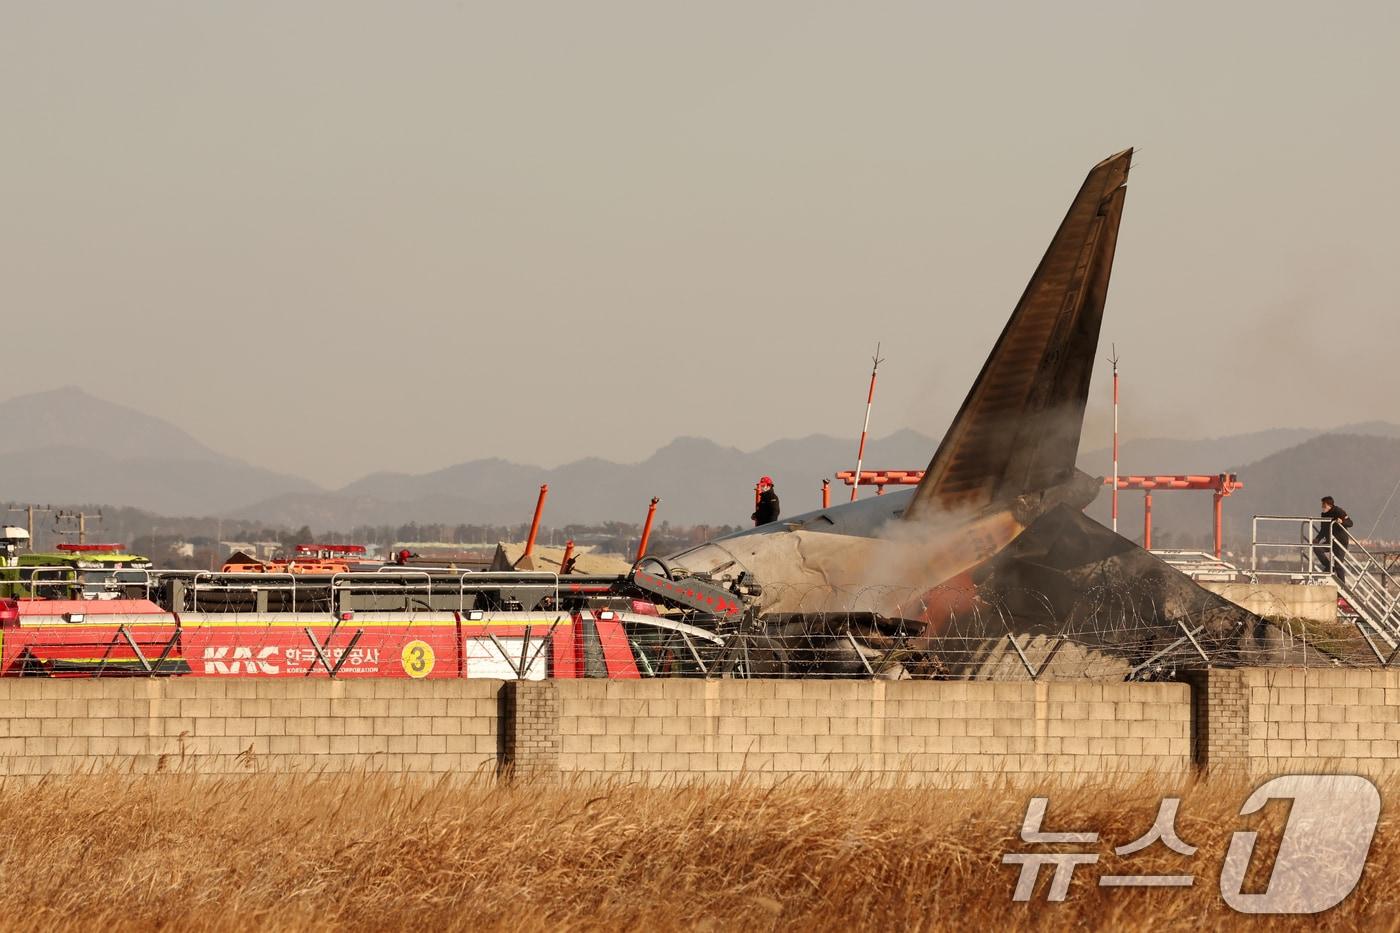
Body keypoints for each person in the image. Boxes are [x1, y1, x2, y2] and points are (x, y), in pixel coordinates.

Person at [1313, 496, 1354, 585]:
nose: (1322, 508)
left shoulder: (1338, 511)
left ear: (1329, 505)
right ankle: (1329, 566)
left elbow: (1350, 523)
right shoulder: (1323, 514)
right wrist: (1317, 539)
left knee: (1338, 565)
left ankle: (1342, 586)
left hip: (1340, 542)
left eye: (1324, 506)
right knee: (1317, 548)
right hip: (1330, 541)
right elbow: (1323, 530)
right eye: (1322, 505)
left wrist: (1342, 522)